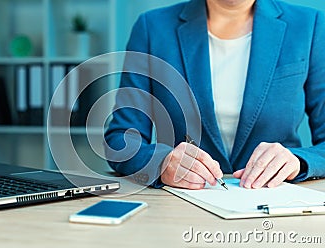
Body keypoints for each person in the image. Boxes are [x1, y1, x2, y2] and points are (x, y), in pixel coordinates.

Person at [104, 0, 325, 190]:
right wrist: (161, 163)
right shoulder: (152, 28)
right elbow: (121, 140)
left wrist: (298, 161)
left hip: (276, 202)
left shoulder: (310, 25)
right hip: (183, 204)